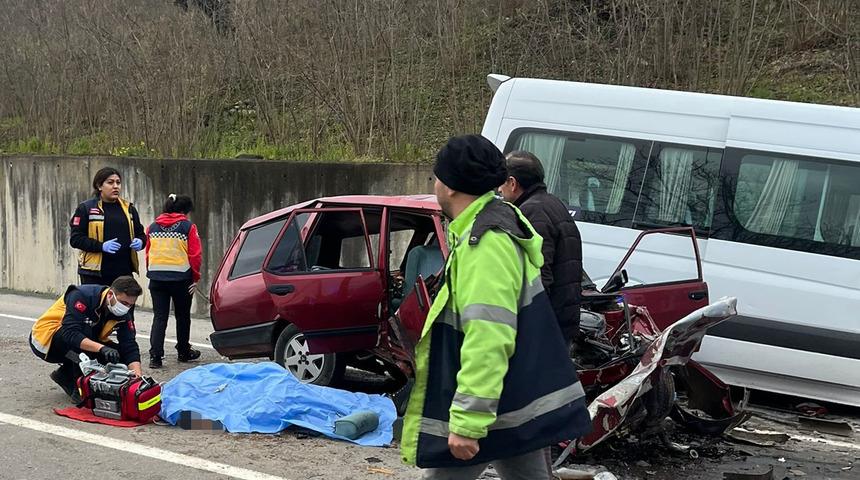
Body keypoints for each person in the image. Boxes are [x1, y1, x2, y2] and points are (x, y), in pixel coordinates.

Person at [400, 135, 592, 479]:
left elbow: (488, 335)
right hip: (510, 398)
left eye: (437, 177)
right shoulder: (493, 224)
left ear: (453, 186)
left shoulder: (485, 243)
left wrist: (468, 422)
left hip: (496, 400)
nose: (436, 186)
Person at [498, 150, 583, 344]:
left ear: (512, 183)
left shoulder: (532, 213)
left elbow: (538, 277)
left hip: (545, 327)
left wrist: (529, 326)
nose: (499, 190)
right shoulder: (553, 204)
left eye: (501, 183)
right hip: (561, 319)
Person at [29, 276, 144, 402]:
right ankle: (81, 389)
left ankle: (65, 374)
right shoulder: (81, 295)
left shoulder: (123, 314)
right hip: (46, 341)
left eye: (130, 305)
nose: (126, 308)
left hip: (78, 340)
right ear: (111, 294)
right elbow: (70, 334)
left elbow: (129, 345)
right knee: (85, 339)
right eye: (123, 303)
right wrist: (102, 348)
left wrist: (137, 377)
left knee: (117, 354)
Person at [145, 194, 203, 368]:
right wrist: (196, 277)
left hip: (156, 278)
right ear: (185, 211)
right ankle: (183, 351)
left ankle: (155, 357)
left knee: (160, 317)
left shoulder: (152, 227)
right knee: (182, 316)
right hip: (181, 279)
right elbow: (195, 255)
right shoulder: (188, 227)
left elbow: (148, 253)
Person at [70, 167, 147, 286]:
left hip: (123, 273)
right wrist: (101, 246)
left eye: (118, 182)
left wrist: (141, 242)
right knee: (97, 304)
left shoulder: (129, 209)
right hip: (94, 274)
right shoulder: (86, 209)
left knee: (124, 304)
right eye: (110, 183)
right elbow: (76, 239)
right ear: (99, 186)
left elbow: (141, 234)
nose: (115, 186)